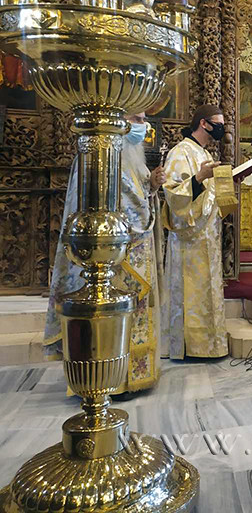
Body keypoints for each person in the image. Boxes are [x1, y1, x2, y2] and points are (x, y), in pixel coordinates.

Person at [44, 111, 167, 397]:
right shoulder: (100, 154)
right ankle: (110, 379)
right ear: (118, 120)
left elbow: (138, 199)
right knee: (114, 308)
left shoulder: (131, 153)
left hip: (137, 249)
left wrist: (152, 186)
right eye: (136, 118)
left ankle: (135, 376)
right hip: (113, 253)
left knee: (135, 313)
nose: (142, 124)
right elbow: (109, 205)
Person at [161, 104, 230, 359]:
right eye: (218, 123)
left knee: (208, 291)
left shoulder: (203, 152)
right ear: (204, 123)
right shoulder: (180, 152)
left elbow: (212, 196)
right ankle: (191, 347)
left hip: (207, 237)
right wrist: (199, 178)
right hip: (190, 241)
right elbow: (173, 196)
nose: (222, 128)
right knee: (191, 293)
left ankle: (211, 344)